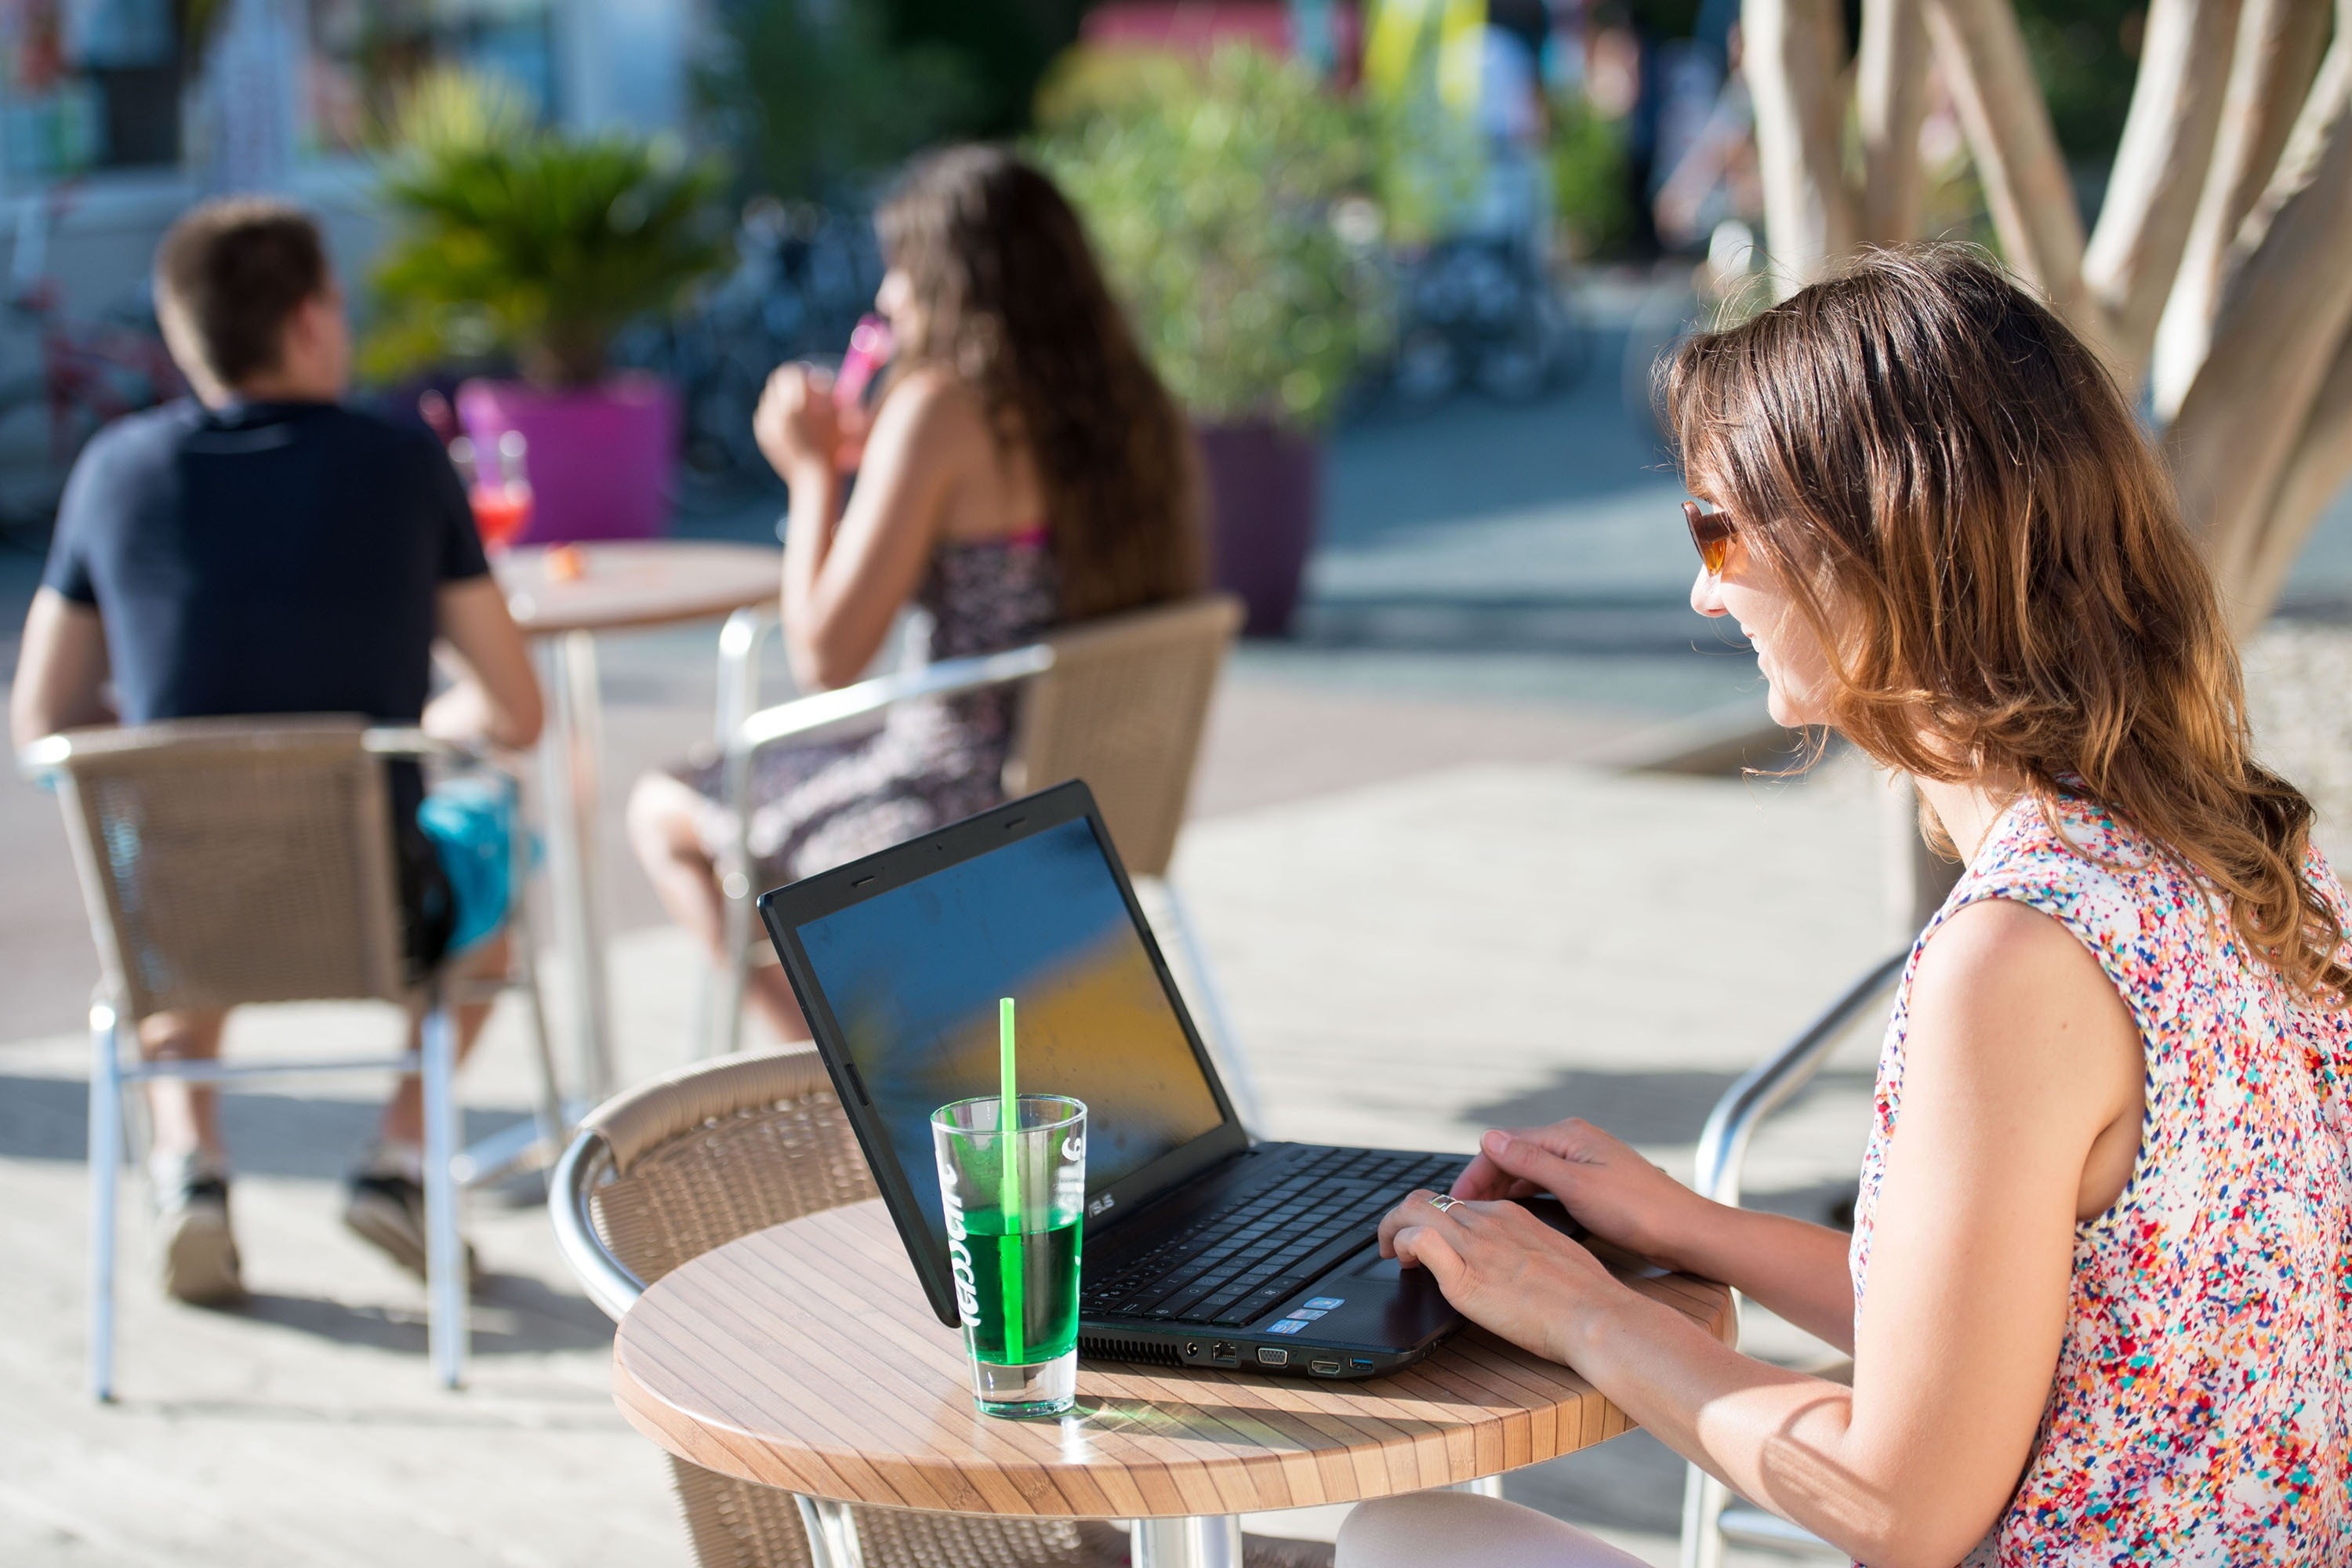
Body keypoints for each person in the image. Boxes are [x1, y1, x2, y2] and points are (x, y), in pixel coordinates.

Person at [1343, 248, 2350, 1566]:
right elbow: (2036, 1333)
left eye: (1716, 529)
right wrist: (1692, 1229)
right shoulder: (2259, 866)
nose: (1705, 588)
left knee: (1404, 1541)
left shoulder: (2021, 955)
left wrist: (1580, 1308)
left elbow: (1899, 1504)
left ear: (1873, 548)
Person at [9, 198, 543, 1305]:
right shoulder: (403, 464)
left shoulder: (113, 472)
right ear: (308, 319)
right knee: (502, 861)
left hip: (182, 920)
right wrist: (411, 731)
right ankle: (396, 1159)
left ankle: (188, 1165)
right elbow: (516, 710)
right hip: (380, 911)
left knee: (182, 863)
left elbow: (43, 720)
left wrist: (176, 750)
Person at [627, 146, 1203, 1043]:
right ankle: (866, 1070)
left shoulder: (941, 407)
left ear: (950, 281)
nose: (887, 297)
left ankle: (844, 1081)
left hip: (948, 812)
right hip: (1087, 807)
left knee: (662, 804)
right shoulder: (1137, 410)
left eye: (900, 268)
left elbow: (826, 657)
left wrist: (813, 473)